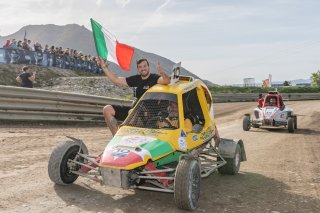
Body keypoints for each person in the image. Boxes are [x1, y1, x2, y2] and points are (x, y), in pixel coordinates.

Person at [99, 58, 170, 135]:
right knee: (107, 109)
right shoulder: (136, 79)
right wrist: (104, 67)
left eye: (144, 66)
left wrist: (162, 73)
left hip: (147, 115)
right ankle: (116, 135)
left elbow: (167, 81)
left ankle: (123, 132)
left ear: (148, 67)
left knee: (132, 112)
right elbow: (116, 79)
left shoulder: (154, 78)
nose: (143, 68)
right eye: (140, 67)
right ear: (138, 69)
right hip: (133, 112)